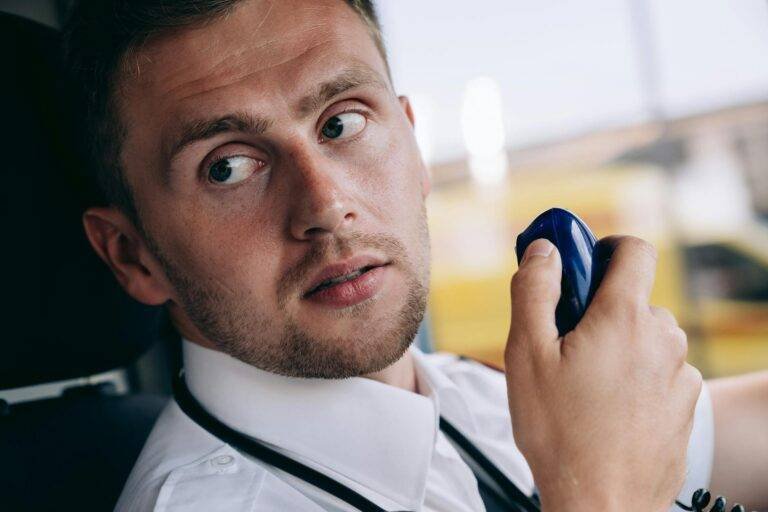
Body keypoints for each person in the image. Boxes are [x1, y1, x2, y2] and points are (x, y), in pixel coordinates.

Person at [63, 1, 768, 510]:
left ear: (412, 144)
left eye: (341, 123)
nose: (325, 204)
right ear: (132, 257)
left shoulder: (472, 396)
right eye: (227, 167)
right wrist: (603, 496)